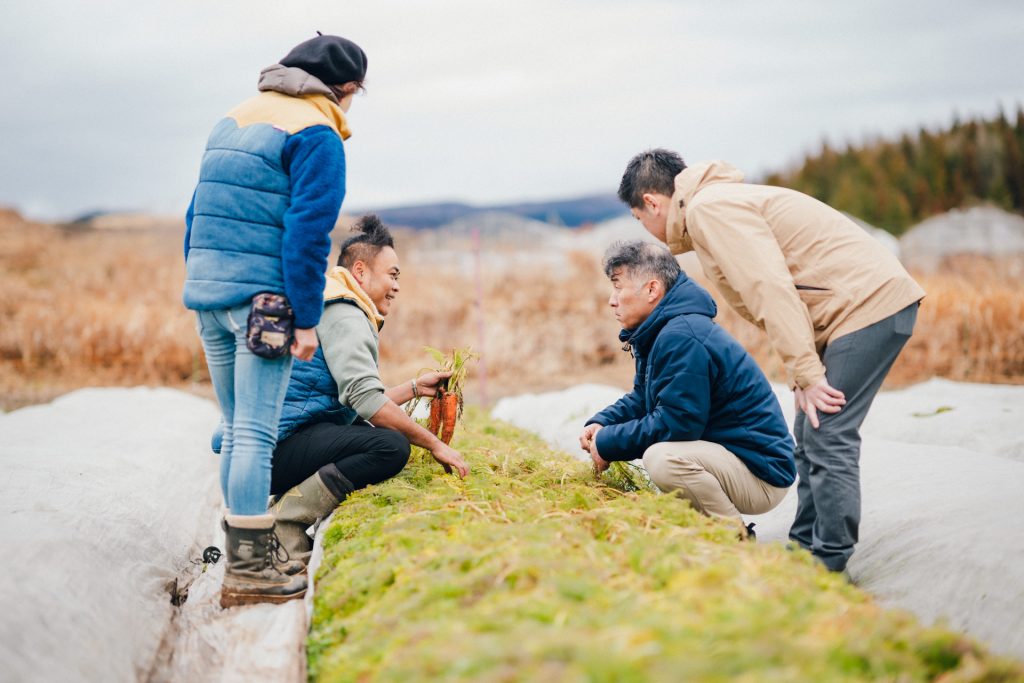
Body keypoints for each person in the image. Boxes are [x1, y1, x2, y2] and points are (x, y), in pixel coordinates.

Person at [617, 149, 925, 572]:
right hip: (849, 312)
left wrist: (807, 372)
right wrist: (803, 373)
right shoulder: (714, 204)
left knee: (828, 434)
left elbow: (770, 288)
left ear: (652, 202)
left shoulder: (710, 209)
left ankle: (827, 565)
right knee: (811, 430)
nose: (648, 231)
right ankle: (803, 550)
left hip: (865, 306)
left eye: (639, 219)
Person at [183, 33, 368, 607]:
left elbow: (194, 214)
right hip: (265, 305)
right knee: (255, 436)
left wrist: (203, 282)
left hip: (208, 295)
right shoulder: (317, 134)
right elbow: (308, 233)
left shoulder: (233, 119)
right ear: (345, 88)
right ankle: (249, 575)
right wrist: (306, 318)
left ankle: (240, 564)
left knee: (238, 428)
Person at [265, 214, 470, 566]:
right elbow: (365, 399)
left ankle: (282, 506)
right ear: (360, 271)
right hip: (272, 452)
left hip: (269, 447)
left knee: (366, 431)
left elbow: (351, 401)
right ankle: (282, 522)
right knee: (390, 446)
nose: (397, 286)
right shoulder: (345, 312)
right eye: (393, 274)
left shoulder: (329, 300)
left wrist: (413, 388)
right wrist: (435, 444)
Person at [579, 241, 796, 535]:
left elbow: (679, 423)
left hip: (761, 472)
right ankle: (704, 529)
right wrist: (603, 422)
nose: (612, 300)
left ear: (652, 289)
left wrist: (608, 443)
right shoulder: (659, 330)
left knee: (663, 459)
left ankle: (732, 537)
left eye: (618, 287)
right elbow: (643, 398)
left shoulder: (682, 336)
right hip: (731, 457)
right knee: (663, 453)